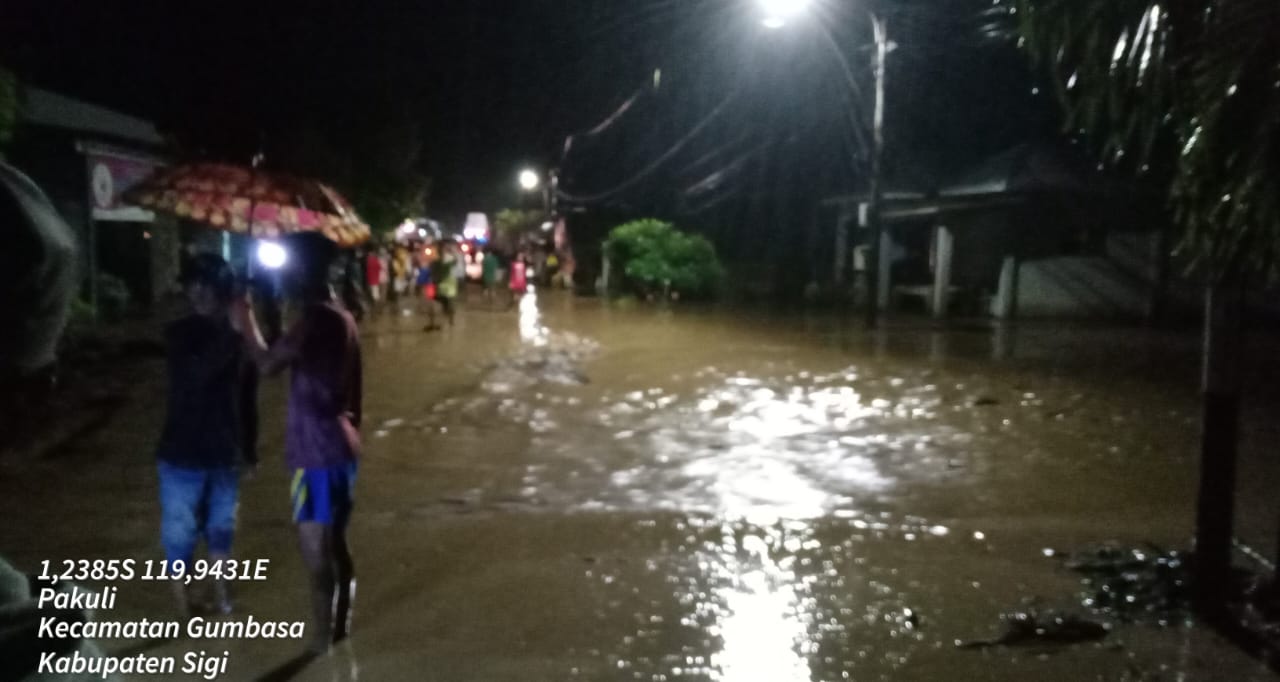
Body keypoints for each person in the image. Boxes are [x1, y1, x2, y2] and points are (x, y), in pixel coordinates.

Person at [233, 232, 362, 653]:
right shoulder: (342, 317)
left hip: (315, 455)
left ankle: (321, 643)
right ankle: (341, 627)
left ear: (303, 270)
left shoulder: (316, 320)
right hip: (342, 448)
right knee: (335, 542)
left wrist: (245, 320)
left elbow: (268, 363)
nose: (284, 275)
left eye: (288, 267)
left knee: (314, 550)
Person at [155, 253, 256, 616]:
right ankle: (184, 608)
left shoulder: (239, 338)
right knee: (179, 535)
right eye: (192, 284)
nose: (197, 292)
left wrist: (250, 451)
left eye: (206, 285)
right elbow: (195, 377)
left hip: (224, 452)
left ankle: (222, 597)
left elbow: (247, 398)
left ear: (222, 290)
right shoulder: (179, 334)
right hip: (181, 453)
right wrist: (231, 336)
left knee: (221, 530)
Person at [433, 240, 459, 328]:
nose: (441, 250)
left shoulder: (448, 258)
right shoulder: (436, 260)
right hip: (440, 284)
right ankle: (445, 322)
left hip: (448, 284)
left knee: (449, 303)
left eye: (443, 248)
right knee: (442, 304)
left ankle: (450, 321)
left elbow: (455, 262)